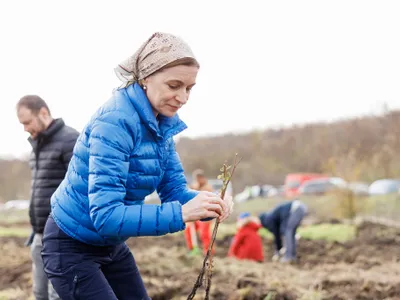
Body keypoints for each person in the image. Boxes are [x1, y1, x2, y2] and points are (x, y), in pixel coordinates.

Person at [41, 32, 234, 300]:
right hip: (71, 246)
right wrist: (181, 214)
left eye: (189, 88)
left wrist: (210, 204)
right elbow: (107, 217)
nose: (183, 97)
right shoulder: (115, 123)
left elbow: (176, 193)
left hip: (110, 244)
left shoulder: (161, 127)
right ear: (146, 77)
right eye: (174, 85)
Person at [16, 95, 79, 300]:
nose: (25, 128)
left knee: (57, 295)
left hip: (62, 235)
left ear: (43, 113)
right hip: (39, 234)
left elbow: (80, 188)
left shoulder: (70, 140)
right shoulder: (37, 144)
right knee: (39, 293)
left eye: (27, 122)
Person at [184, 169, 214, 255]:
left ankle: (208, 252)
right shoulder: (195, 185)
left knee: (204, 234)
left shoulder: (207, 187)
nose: (197, 181)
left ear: (202, 178)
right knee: (189, 230)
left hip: (206, 214)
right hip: (196, 213)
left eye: (198, 178)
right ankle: (192, 249)